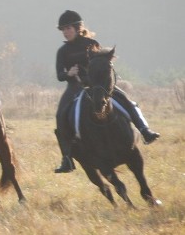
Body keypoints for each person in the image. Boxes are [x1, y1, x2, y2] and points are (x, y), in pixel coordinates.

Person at [53, 10, 160, 173]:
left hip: (97, 85)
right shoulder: (62, 51)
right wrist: (69, 74)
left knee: (126, 100)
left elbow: (103, 63)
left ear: (77, 28)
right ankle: (66, 158)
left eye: (68, 28)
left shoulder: (91, 43)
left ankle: (145, 130)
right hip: (74, 88)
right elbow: (59, 75)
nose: (65, 32)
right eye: (63, 30)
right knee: (60, 115)